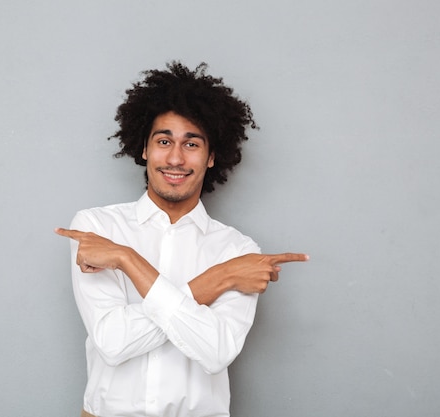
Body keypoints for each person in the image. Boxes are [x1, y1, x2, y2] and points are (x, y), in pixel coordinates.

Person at [55, 61, 308, 417]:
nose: (175, 158)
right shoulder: (97, 229)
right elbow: (113, 342)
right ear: (144, 149)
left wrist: (128, 261)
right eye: (163, 141)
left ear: (211, 157)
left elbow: (216, 352)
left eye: (191, 143)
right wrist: (215, 280)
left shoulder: (238, 251)